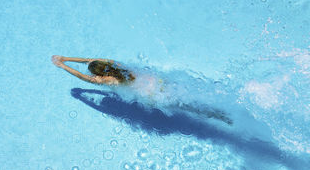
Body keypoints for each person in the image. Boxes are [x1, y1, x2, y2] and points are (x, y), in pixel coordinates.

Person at [51, 55, 233, 125]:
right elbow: (92, 60)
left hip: (153, 95)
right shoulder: (117, 65)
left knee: (189, 107)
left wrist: (64, 66)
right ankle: (220, 99)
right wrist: (66, 58)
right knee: (186, 93)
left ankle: (220, 116)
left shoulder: (109, 80)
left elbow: (85, 78)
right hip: (157, 81)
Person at [51, 55, 135, 85]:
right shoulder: (115, 64)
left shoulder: (106, 79)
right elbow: (90, 60)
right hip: (146, 78)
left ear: (98, 74)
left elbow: (81, 76)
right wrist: (65, 58)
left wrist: (63, 66)